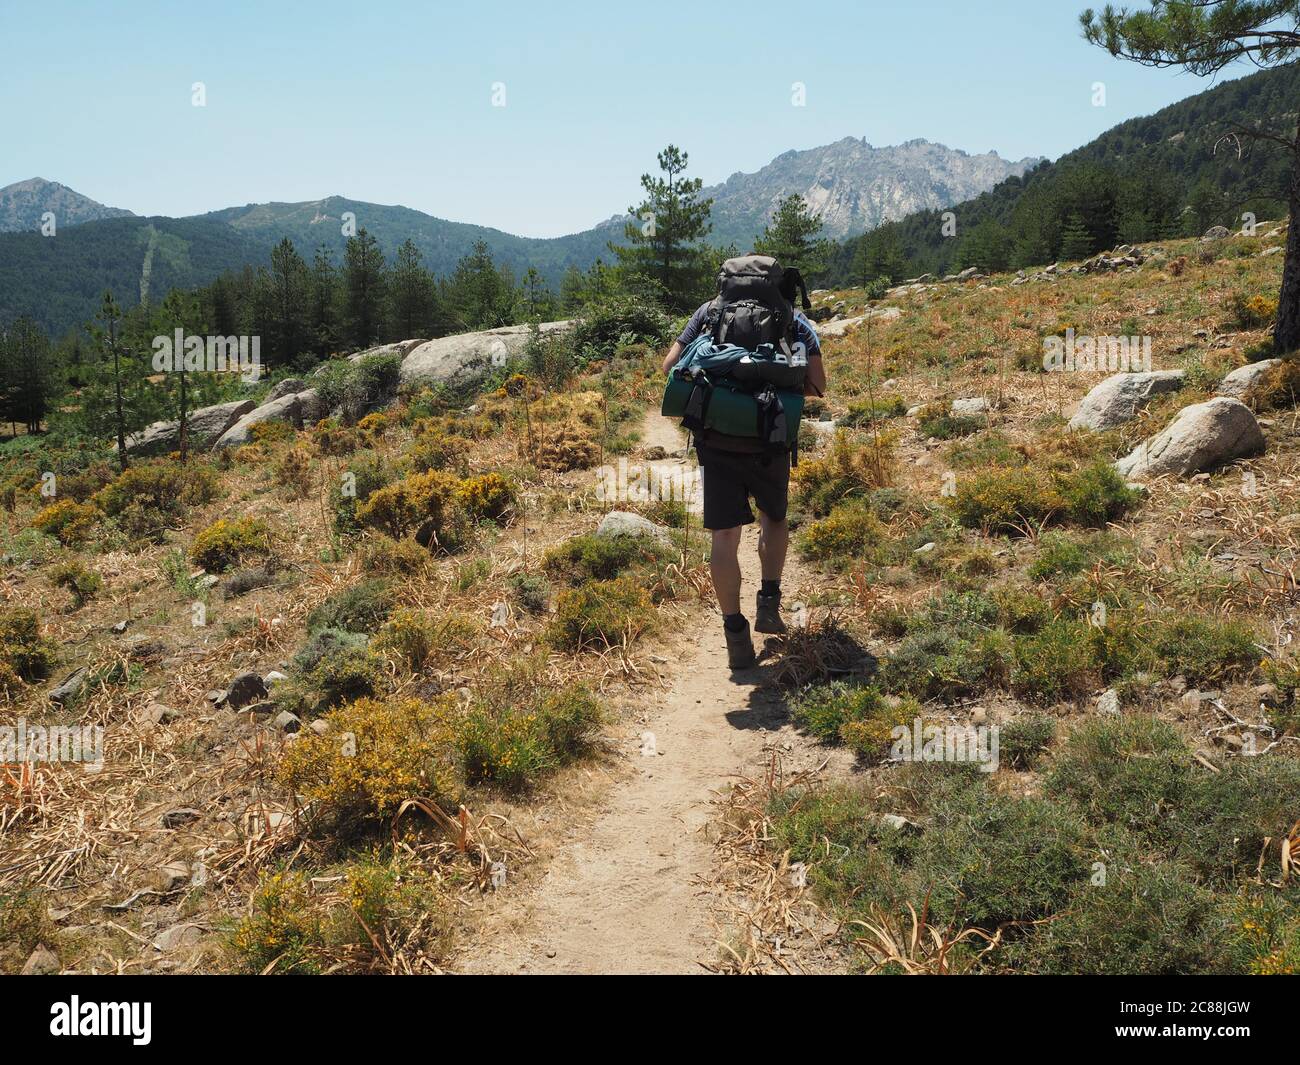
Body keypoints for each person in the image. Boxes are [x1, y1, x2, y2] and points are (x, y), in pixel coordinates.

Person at [661, 275, 826, 669]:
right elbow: (817, 384)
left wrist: (726, 383)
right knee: (774, 517)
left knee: (724, 535)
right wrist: (770, 386)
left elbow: (670, 367)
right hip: (769, 439)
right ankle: (769, 604)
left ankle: (735, 636)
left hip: (717, 439)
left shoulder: (708, 313)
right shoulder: (794, 320)